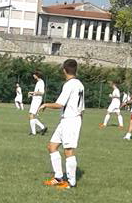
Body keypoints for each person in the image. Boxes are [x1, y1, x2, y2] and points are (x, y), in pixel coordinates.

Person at [41, 59, 84, 189]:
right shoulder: (80, 84)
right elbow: (82, 107)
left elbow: (60, 104)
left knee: (68, 151)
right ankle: (58, 177)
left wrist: (45, 104)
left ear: (64, 70)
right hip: (67, 120)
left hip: (70, 120)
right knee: (52, 146)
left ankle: (71, 183)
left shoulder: (69, 84)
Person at [28, 71, 47, 136]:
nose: (33, 76)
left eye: (34, 74)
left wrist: (32, 93)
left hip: (37, 100)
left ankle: (35, 131)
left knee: (31, 115)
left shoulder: (41, 82)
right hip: (35, 99)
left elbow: (41, 92)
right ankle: (41, 128)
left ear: (37, 75)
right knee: (31, 115)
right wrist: (32, 94)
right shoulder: (39, 82)